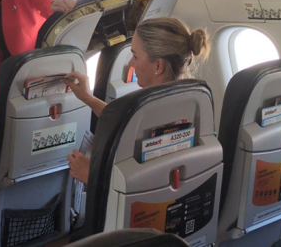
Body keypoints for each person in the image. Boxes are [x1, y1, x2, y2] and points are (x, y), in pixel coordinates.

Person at [63, 17, 210, 184]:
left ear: (158, 66)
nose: (131, 63)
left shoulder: (150, 113)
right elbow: (121, 119)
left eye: (135, 56)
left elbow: (145, 185)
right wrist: (87, 97)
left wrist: (91, 175)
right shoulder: (193, 100)